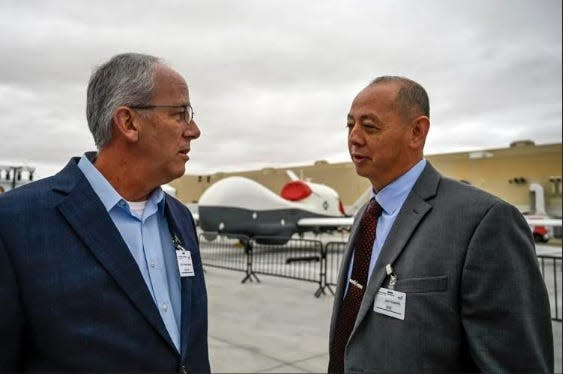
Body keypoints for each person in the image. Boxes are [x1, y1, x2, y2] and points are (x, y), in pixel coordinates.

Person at [0, 53, 210, 372]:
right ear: (128, 122)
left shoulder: (180, 218)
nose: (193, 130)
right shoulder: (15, 223)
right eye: (180, 114)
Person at [328, 76, 553, 373]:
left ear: (416, 132)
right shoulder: (366, 216)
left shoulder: (485, 221)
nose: (354, 138)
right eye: (350, 125)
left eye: (369, 126)